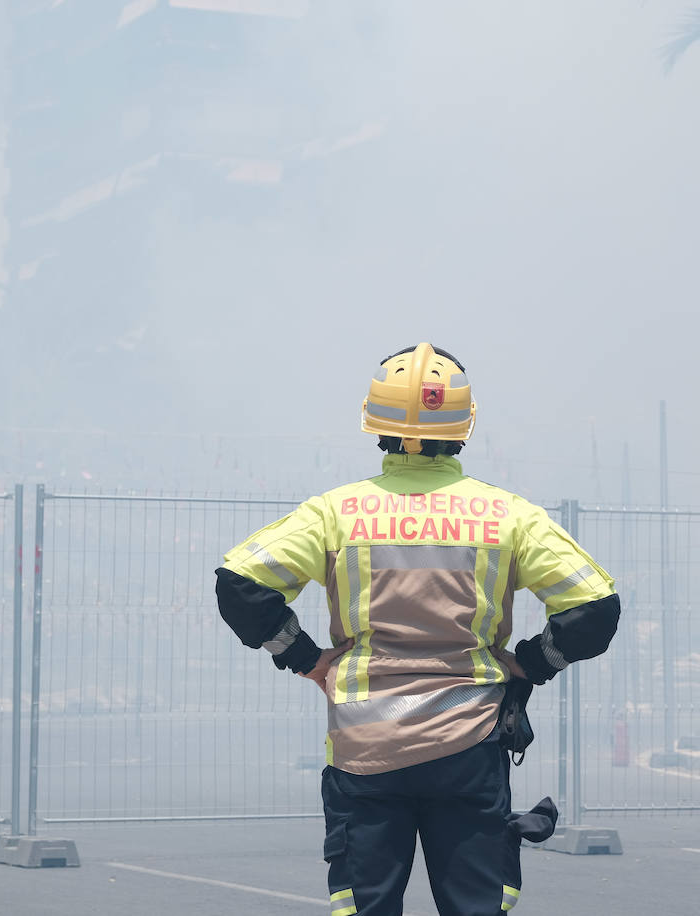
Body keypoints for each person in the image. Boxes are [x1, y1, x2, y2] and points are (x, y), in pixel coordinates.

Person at [215, 342, 620, 916]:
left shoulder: (335, 512)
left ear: (375, 423)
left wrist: (306, 658)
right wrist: (533, 662)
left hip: (364, 753)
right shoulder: (508, 515)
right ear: (463, 426)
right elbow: (596, 608)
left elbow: (240, 584)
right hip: (471, 746)